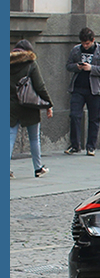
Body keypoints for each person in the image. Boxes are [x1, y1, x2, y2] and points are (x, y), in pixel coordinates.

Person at [65, 27, 100, 156]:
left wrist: (91, 68)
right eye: (83, 43)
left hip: (94, 89)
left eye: (87, 43)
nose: (85, 46)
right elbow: (68, 65)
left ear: (93, 40)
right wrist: (77, 67)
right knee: (74, 115)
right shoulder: (76, 50)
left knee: (94, 118)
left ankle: (91, 146)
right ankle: (75, 145)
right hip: (78, 88)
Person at [10, 39, 54, 178]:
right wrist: (48, 104)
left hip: (10, 106)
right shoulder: (31, 64)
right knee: (34, 139)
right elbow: (40, 86)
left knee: (9, 139)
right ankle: (38, 168)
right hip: (29, 105)